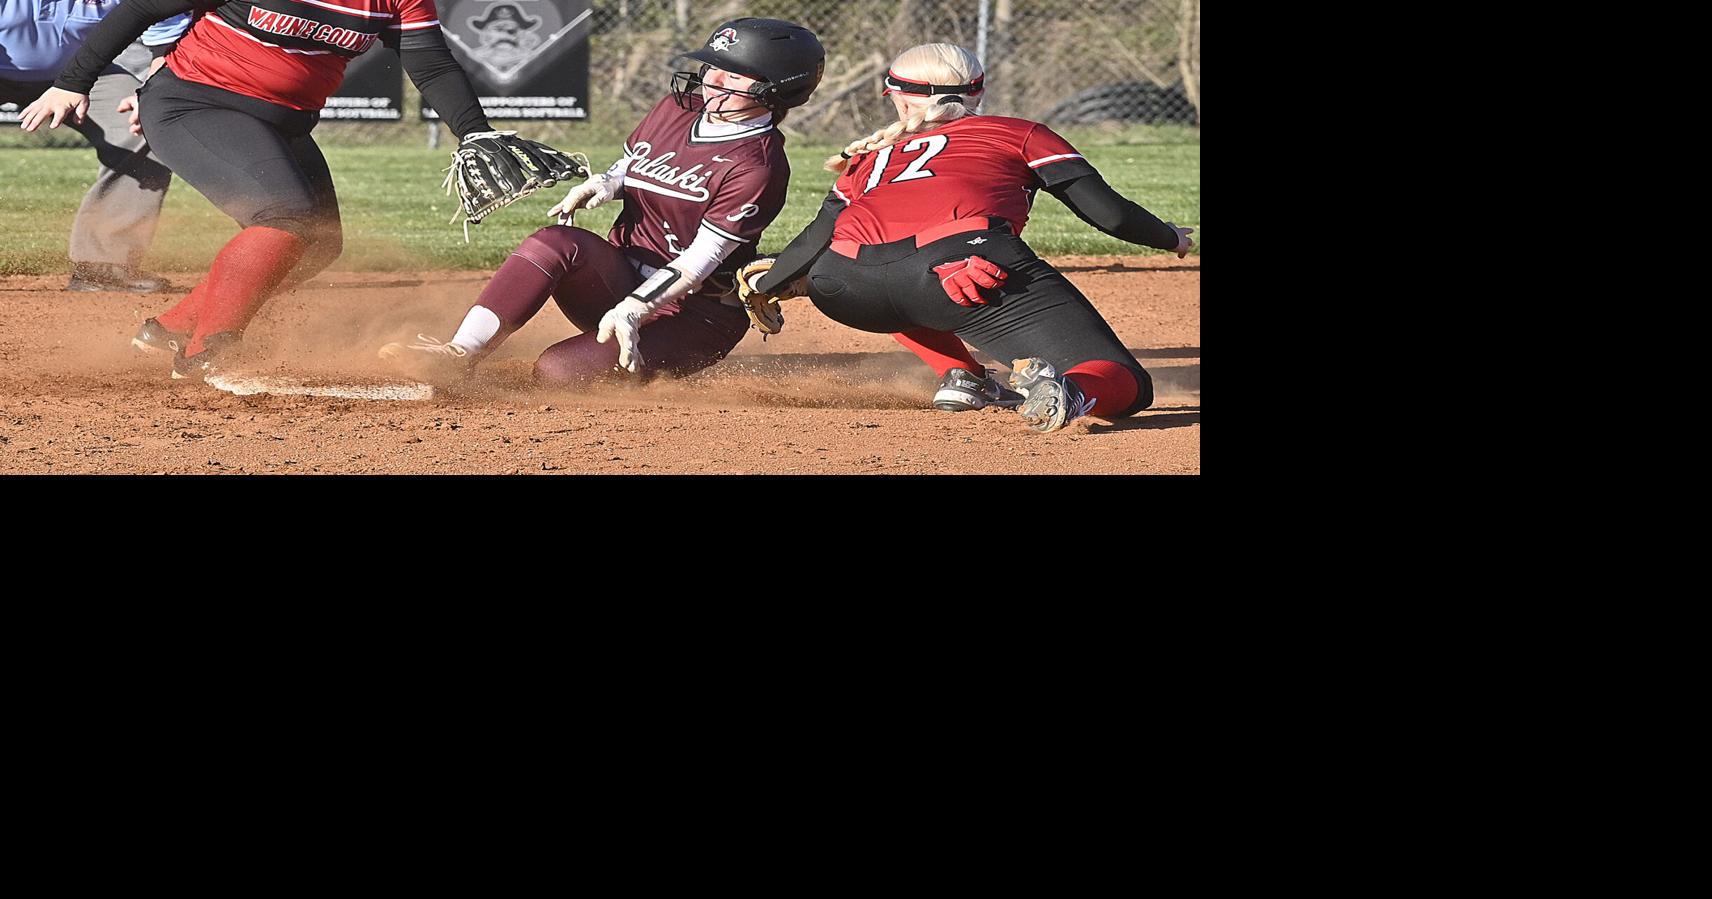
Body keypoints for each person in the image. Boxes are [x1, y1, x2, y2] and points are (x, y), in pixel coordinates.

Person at [18, 0, 532, 380]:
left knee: (320, 243)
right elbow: (140, 9)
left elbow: (433, 64)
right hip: (192, 103)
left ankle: (171, 327)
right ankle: (207, 351)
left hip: (281, 123)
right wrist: (73, 82)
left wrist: (476, 131)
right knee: (285, 216)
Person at [741, 43, 1194, 433]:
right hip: (963, 269)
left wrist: (769, 283)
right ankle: (1071, 393)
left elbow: (816, 238)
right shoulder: (1018, 132)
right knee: (1127, 382)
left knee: (893, 274)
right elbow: (1110, 215)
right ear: (977, 91)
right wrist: (1168, 237)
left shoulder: (867, 159)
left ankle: (962, 376)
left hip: (843, 285)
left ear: (895, 98)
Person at [378, 17, 824, 387]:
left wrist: (635, 308)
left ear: (775, 89)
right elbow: (635, 161)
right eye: (711, 66)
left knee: (557, 373)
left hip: (694, 313)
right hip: (621, 278)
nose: (712, 80)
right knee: (555, 241)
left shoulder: (757, 166)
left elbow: (697, 265)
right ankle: (460, 353)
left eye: (733, 73)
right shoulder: (679, 108)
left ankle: (639, 365)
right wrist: (606, 184)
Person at [1, 1, 190, 293]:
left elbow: (165, 41)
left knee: (144, 124)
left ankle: (103, 268)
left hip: (84, 72)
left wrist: (152, 91)